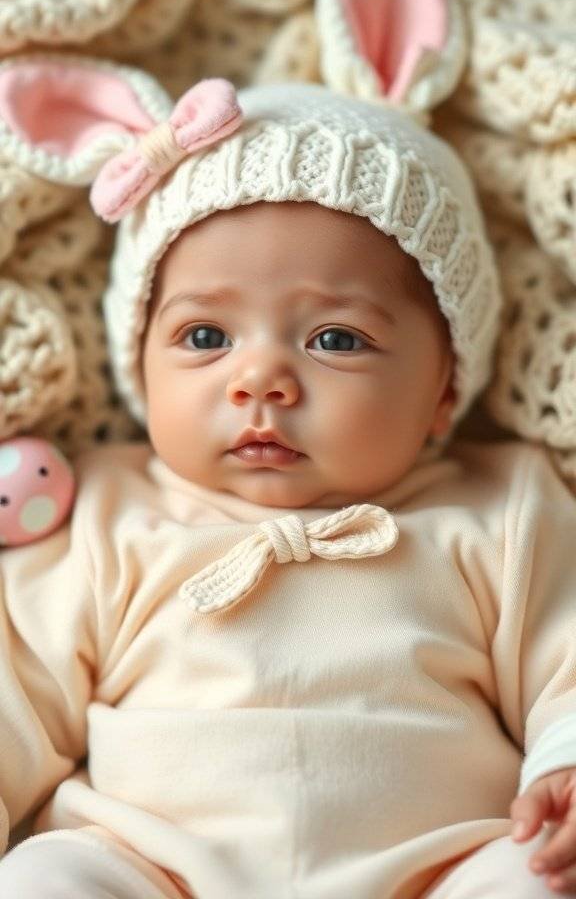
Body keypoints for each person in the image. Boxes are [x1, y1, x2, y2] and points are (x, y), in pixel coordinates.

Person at [0, 64, 575, 899]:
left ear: (446, 386)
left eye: (336, 340)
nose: (259, 380)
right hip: (149, 867)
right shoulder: (106, 514)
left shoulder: (500, 507)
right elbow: (18, 690)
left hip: (438, 869)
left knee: (534, 880)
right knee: (45, 877)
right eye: (204, 335)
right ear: (140, 362)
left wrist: (564, 764)